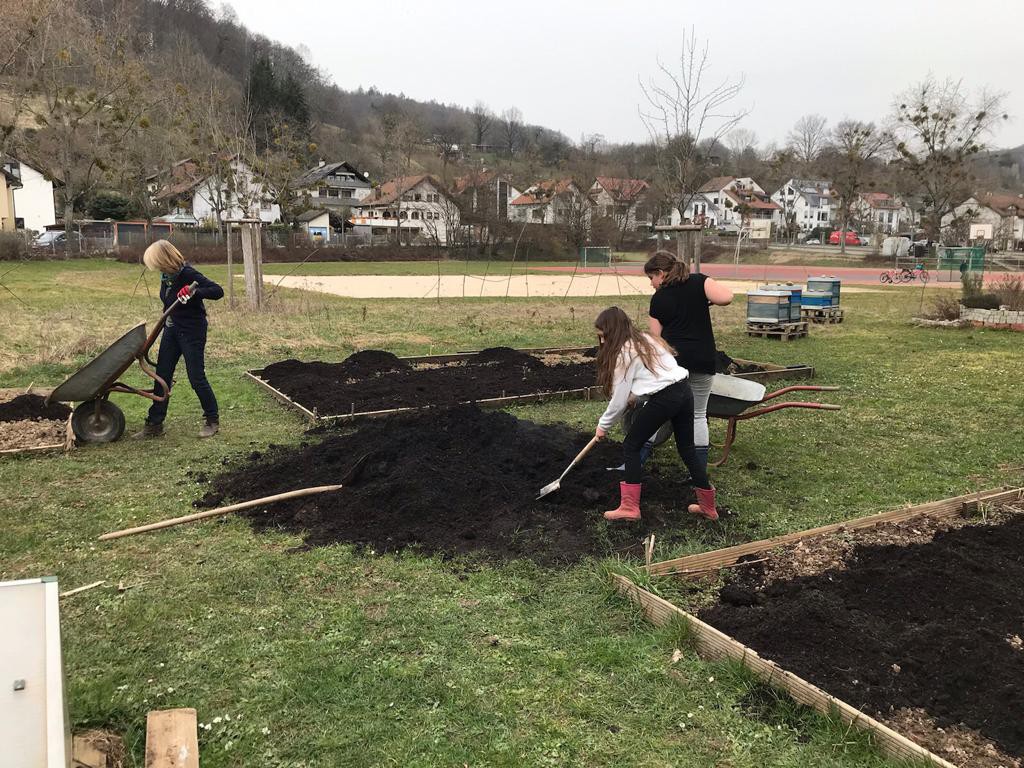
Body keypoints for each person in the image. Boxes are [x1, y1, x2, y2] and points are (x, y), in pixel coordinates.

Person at [593, 306, 718, 522]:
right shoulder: (646, 339)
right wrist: (636, 392)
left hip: (665, 398)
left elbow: (618, 400)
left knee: (631, 445)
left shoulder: (624, 353)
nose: (602, 342)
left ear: (612, 331)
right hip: (684, 391)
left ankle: (630, 508)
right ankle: (708, 507)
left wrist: (603, 426)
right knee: (687, 449)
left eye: (603, 336)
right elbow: (657, 372)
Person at [643, 251, 733, 472]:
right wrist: (705, 300)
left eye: (651, 279)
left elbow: (656, 341)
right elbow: (727, 297)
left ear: (661, 274)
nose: (651, 285)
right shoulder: (699, 281)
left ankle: (637, 460)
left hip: (675, 365)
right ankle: (699, 472)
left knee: (654, 410)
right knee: (699, 414)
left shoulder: (659, 299)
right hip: (703, 359)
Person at [136, 240, 224, 438]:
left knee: (196, 377)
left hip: (192, 331)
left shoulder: (188, 274)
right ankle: (155, 424)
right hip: (172, 331)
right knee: (162, 376)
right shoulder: (166, 276)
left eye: (155, 262)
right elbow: (169, 301)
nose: (154, 268)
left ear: (164, 259)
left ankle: (212, 420)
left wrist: (194, 292)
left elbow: (218, 291)